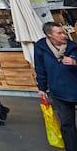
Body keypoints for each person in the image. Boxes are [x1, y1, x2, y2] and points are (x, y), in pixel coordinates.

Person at [35, 22, 77, 151]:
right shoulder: (41, 47)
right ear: (49, 35)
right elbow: (40, 69)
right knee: (66, 123)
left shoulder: (73, 47)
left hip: (75, 87)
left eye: (63, 32)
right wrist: (41, 88)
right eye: (59, 33)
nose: (63, 35)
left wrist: (75, 62)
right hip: (58, 91)